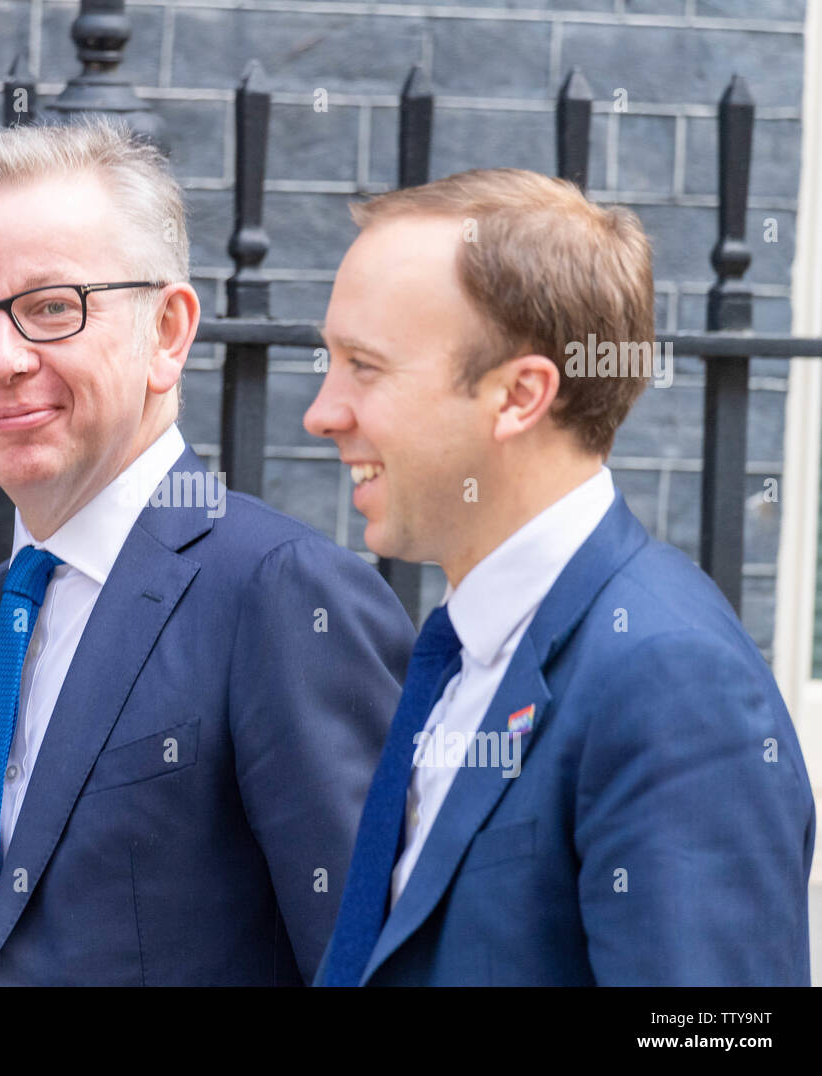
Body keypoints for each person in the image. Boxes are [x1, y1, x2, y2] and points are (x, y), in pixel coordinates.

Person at [0, 120, 415, 986]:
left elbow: (373, 964)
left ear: (170, 332)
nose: (0, 359)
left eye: (51, 307)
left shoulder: (280, 593)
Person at [304, 167, 815, 986]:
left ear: (519, 396)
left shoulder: (673, 683)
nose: (322, 412)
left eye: (364, 365)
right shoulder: (466, 645)